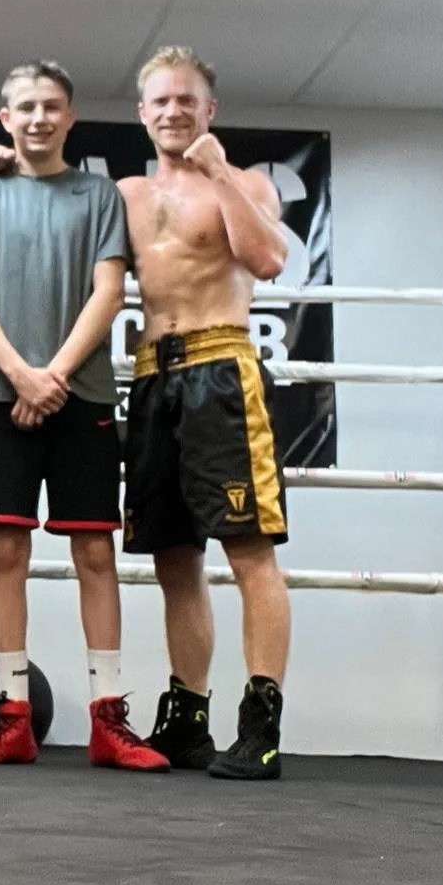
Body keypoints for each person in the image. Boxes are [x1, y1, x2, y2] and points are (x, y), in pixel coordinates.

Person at [0, 62, 168, 769]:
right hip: (0, 393)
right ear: (4, 119)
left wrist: (55, 376)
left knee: (96, 553)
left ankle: (109, 722)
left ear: (70, 118)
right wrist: (19, 373)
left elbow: (109, 293)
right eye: (25, 108)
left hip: (84, 397)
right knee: (5, 553)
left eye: (52, 107)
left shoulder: (98, 193)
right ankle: (11, 719)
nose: (39, 118)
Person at [118, 46, 292, 781]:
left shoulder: (246, 183)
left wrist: (219, 172)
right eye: (160, 101)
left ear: (208, 110)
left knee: (248, 552)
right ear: (142, 112)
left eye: (186, 100)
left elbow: (269, 260)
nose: (173, 111)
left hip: (222, 371)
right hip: (155, 376)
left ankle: (261, 725)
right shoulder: (124, 193)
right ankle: (187, 718)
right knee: (173, 559)